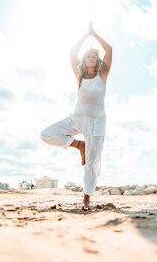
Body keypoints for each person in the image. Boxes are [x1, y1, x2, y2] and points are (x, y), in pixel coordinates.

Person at [40, 21, 112, 209]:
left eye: (93, 56)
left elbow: (109, 49)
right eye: (87, 56)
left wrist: (94, 34)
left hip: (96, 123)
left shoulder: (102, 75)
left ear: (97, 61)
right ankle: (78, 144)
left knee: (92, 162)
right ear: (84, 60)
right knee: (46, 134)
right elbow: (72, 53)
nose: (89, 58)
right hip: (77, 118)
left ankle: (86, 198)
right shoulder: (79, 76)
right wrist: (85, 36)